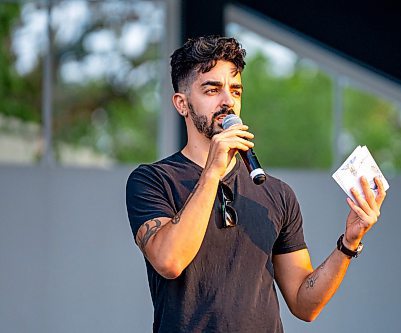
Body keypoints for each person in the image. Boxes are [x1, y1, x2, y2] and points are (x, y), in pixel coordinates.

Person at [126, 35, 386, 333]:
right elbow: (169, 261)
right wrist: (212, 172)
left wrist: (349, 243)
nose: (227, 101)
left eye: (235, 90)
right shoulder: (152, 180)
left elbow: (305, 304)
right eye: (211, 89)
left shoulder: (276, 193)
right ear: (182, 104)